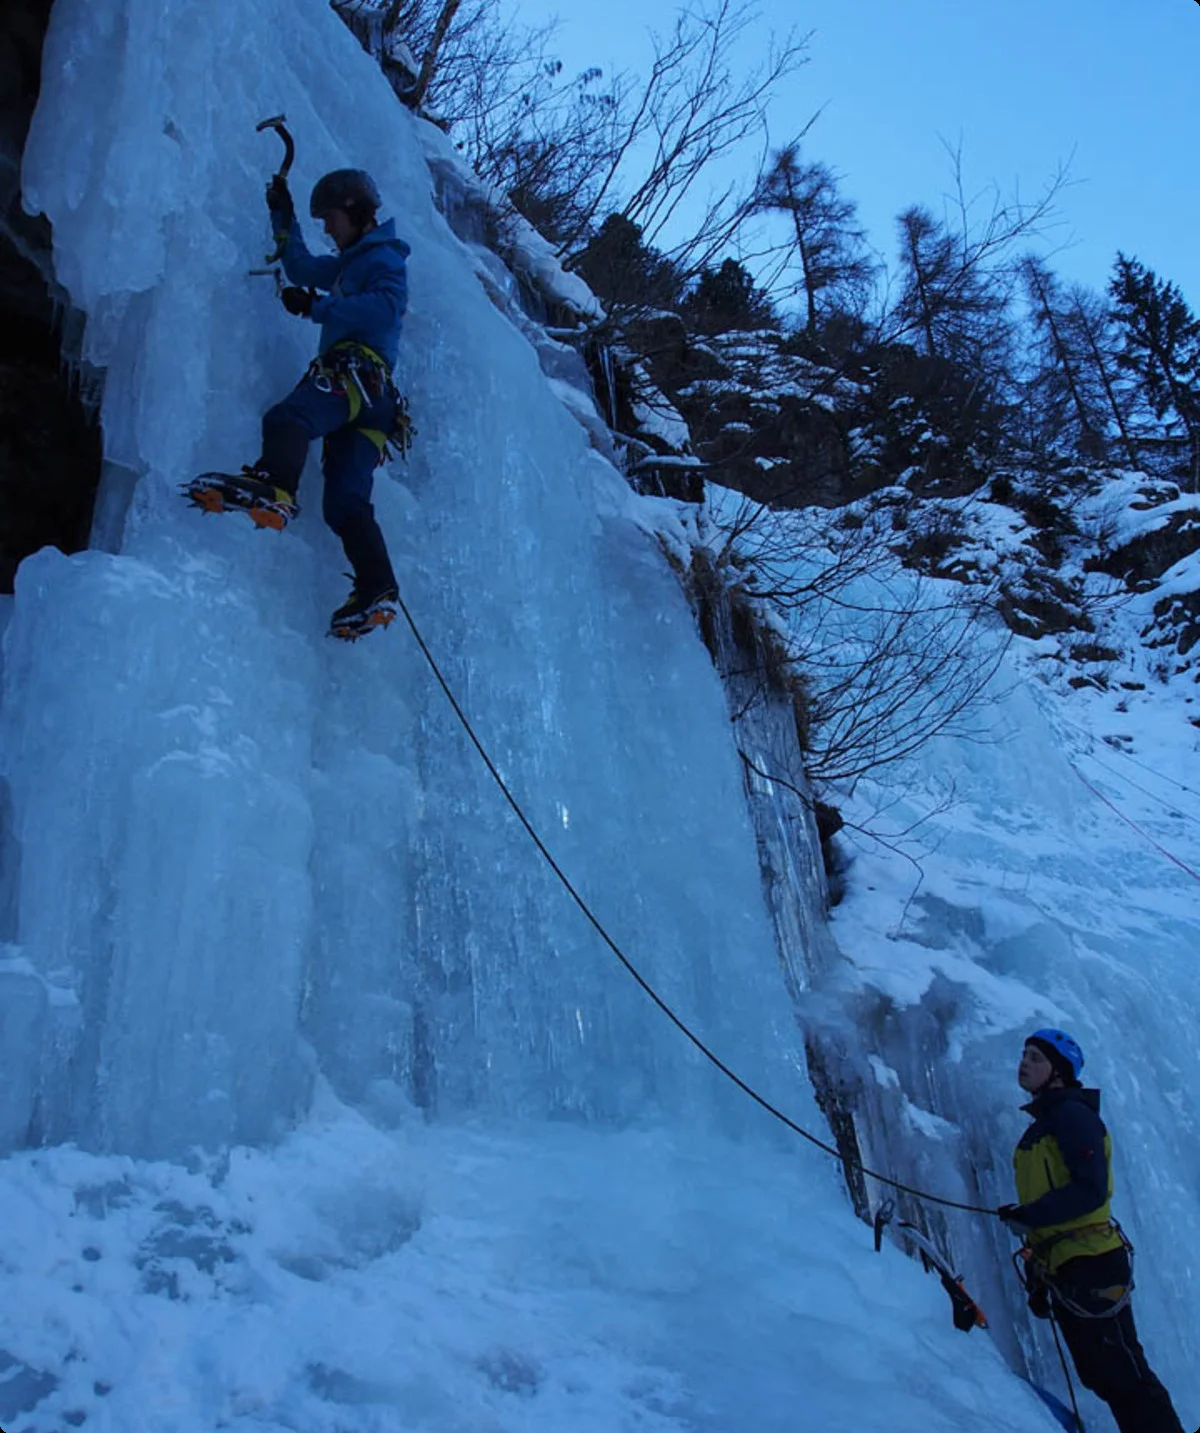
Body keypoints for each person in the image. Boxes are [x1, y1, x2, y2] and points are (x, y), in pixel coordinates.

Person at [249, 167, 410, 638]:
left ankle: (275, 489)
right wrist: (283, 212)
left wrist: (318, 308)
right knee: (344, 503)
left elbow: (386, 307)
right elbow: (300, 266)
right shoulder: (346, 264)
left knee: (288, 419)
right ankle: (376, 587)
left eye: (331, 217)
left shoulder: (384, 259)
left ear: (356, 211)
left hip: (355, 377)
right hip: (373, 405)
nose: (327, 228)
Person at [997, 1028, 1184, 1433]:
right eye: (1024, 1055)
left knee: (1123, 1375)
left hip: (1093, 1262)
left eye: (1036, 1058)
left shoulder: (1072, 1116)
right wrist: (1035, 1264)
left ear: (1059, 1072)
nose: (1024, 1063)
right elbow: (1058, 1198)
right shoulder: (1044, 1125)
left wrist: (1031, 1216)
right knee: (1107, 1375)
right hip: (1070, 1264)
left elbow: (1090, 1189)